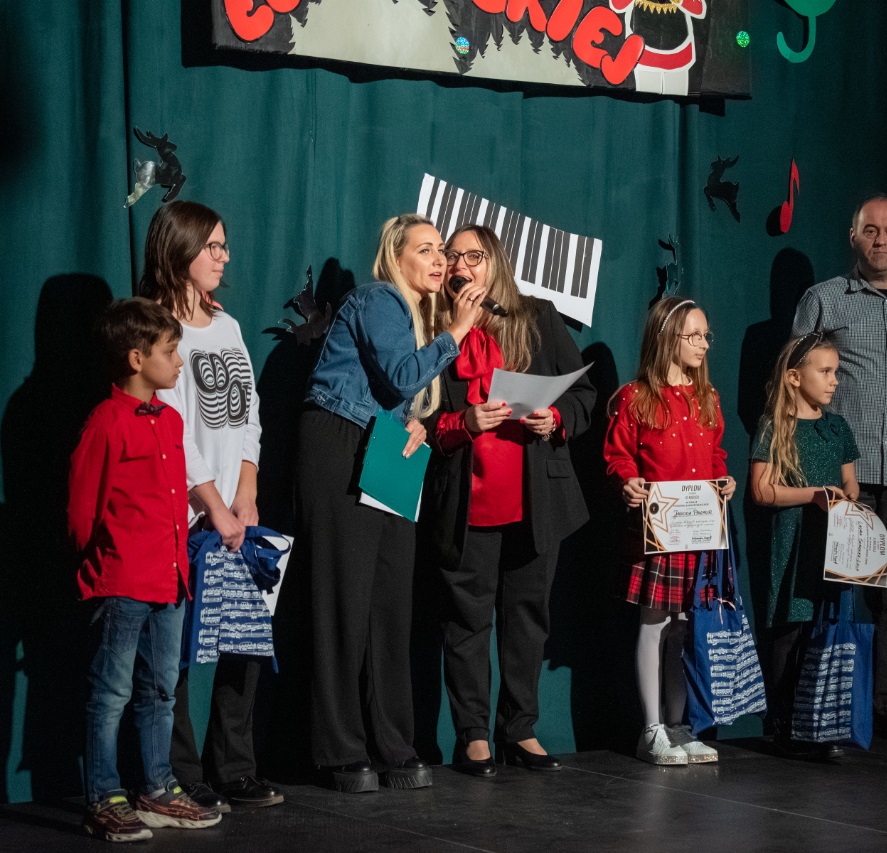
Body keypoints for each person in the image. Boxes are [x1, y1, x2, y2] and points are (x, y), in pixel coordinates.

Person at [297, 214, 487, 792]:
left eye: (441, 251)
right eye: (426, 250)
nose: (440, 261)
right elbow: (402, 375)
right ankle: (339, 749)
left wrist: (417, 424)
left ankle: (395, 745)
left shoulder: (419, 319)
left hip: (386, 449)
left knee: (389, 604)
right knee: (345, 599)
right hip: (340, 440)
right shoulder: (379, 297)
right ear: (395, 257)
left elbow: (401, 395)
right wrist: (457, 331)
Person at [422, 224, 595, 777]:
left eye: (472, 256)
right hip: (467, 498)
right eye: (451, 257)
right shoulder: (435, 328)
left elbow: (583, 395)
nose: (460, 266)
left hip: (535, 496)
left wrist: (557, 418)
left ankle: (519, 728)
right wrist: (463, 422)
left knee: (527, 618)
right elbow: (420, 419)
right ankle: (473, 736)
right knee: (467, 621)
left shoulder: (537, 317)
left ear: (495, 261)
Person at [134, 200, 280, 812]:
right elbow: (175, 430)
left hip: (236, 509)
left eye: (224, 245)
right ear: (181, 249)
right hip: (187, 514)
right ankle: (180, 772)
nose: (224, 257)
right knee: (178, 650)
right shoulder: (157, 329)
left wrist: (246, 492)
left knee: (243, 637)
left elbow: (248, 414)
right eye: (212, 246)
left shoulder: (228, 325)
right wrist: (213, 505)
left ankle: (234, 767)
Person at [791, 194, 887, 744]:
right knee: (839, 592)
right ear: (853, 237)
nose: (881, 239)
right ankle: (838, 708)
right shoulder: (823, 299)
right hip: (844, 473)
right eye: (871, 230)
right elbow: (795, 381)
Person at [69, 298, 222, 842]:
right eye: (170, 352)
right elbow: (82, 513)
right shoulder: (106, 422)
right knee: (111, 693)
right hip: (124, 582)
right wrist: (102, 570)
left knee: (160, 691)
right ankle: (102, 796)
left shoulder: (171, 420)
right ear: (137, 359)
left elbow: (176, 499)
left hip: (170, 579)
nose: (179, 362)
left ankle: (157, 787)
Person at [603, 297, 737, 766]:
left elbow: (715, 454)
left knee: (683, 629)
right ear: (666, 339)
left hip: (698, 534)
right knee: (655, 623)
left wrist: (723, 481)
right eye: (693, 335)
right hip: (659, 534)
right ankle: (651, 729)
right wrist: (626, 480)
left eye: (706, 335)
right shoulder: (635, 397)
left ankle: (678, 726)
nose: (704, 344)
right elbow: (618, 455)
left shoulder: (707, 397)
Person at [748, 333, 861, 758]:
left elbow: (850, 480)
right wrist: (814, 495)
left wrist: (847, 498)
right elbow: (762, 491)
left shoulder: (837, 427)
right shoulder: (774, 426)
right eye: (825, 371)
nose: (834, 380)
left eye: (836, 372)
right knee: (789, 631)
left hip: (832, 544)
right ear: (795, 377)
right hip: (792, 542)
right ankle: (782, 725)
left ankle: (819, 725)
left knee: (824, 629)